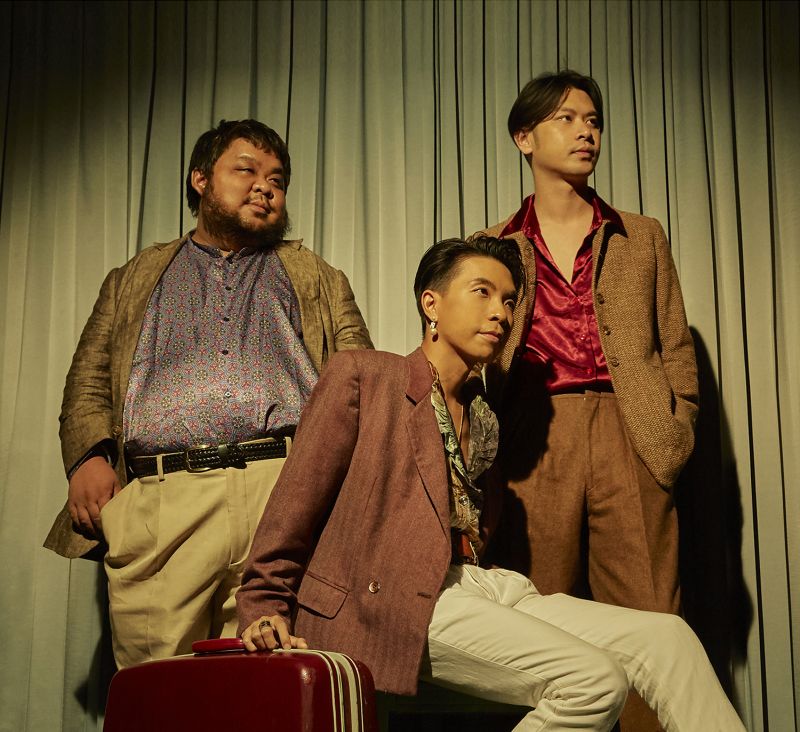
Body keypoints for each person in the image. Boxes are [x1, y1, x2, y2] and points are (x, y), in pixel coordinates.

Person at [236, 237, 742, 732]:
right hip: (394, 595)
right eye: (482, 292)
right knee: (594, 682)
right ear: (431, 304)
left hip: (485, 585)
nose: (500, 312)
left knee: (669, 639)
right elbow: (295, 502)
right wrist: (263, 604)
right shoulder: (366, 377)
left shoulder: (484, 416)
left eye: (509, 301)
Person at [44, 119, 372, 669]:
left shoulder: (318, 277)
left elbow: (359, 385)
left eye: (277, 179)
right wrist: (87, 459)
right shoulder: (132, 278)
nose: (264, 187)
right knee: (159, 689)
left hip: (286, 493)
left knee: (275, 685)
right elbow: (89, 381)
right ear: (200, 180)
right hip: (163, 500)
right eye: (246, 170)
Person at [478, 68, 699, 731]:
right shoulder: (494, 243)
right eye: (567, 119)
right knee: (537, 621)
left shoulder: (641, 234)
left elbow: (676, 345)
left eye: (594, 121)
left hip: (632, 431)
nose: (586, 132)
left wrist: (674, 428)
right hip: (535, 436)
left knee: (649, 621)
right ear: (524, 138)